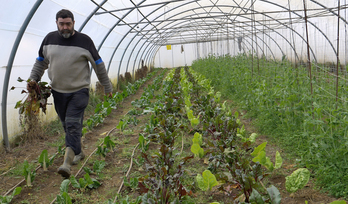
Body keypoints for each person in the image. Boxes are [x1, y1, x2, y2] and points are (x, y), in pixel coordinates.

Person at [29, 9, 113, 178]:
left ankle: (66, 164)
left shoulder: (84, 41)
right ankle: (79, 152)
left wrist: (107, 87)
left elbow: (99, 65)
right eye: (62, 24)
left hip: (79, 92)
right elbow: (40, 62)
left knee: (73, 124)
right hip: (58, 92)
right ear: (57, 23)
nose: (65, 27)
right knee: (67, 126)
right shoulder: (48, 40)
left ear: (74, 23)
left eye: (68, 23)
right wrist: (33, 80)